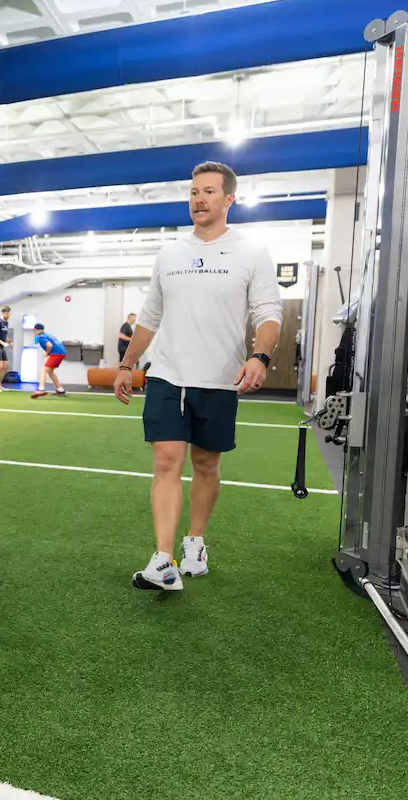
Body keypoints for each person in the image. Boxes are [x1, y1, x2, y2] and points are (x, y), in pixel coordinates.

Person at [113, 161, 281, 592]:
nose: (198, 199)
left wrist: (260, 357)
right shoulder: (170, 254)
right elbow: (150, 317)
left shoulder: (252, 253)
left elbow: (268, 314)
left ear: (229, 199)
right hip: (168, 375)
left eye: (208, 192)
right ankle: (163, 560)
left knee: (206, 464)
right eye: (193, 192)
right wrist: (127, 365)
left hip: (221, 379)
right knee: (166, 463)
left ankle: (195, 542)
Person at [30, 324, 67, 398]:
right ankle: (60, 390)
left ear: (38, 330)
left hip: (57, 354)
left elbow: (49, 345)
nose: (34, 331)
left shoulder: (41, 337)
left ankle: (41, 389)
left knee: (44, 369)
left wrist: (47, 353)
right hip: (62, 353)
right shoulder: (48, 335)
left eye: (35, 330)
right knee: (50, 371)